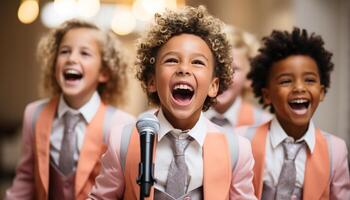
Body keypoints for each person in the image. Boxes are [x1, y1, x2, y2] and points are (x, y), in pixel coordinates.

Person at [89, 5, 256, 200]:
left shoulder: (236, 149)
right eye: (171, 60)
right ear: (152, 81)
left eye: (197, 62)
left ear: (213, 86)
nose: (184, 69)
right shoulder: (123, 141)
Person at [5, 19, 135, 200]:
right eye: (64, 51)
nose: (72, 59)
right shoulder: (33, 114)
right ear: (53, 64)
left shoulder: (121, 124)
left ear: (104, 72)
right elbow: (26, 179)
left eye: (85, 53)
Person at [242, 27, 350, 199]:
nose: (299, 88)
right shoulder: (243, 141)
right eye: (286, 81)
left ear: (321, 92)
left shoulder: (335, 150)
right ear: (267, 95)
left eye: (309, 80)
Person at [205, 26, 271, 133]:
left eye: (233, 69)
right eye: (216, 67)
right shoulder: (187, 120)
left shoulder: (264, 124)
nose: (223, 76)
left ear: (249, 77)